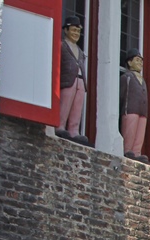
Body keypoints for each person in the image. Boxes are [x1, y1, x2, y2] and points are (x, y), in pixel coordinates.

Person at [57, 16, 90, 145]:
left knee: (77, 106)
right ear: (66, 30)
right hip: (68, 79)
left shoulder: (80, 51)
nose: (76, 34)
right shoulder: (62, 45)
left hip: (80, 80)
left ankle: (74, 130)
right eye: (73, 30)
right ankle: (60, 125)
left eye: (78, 31)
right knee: (65, 103)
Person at [119, 49, 150, 164]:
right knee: (130, 129)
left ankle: (137, 152)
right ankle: (128, 149)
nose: (140, 63)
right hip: (130, 108)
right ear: (129, 62)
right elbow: (122, 94)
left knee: (140, 131)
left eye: (141, 61)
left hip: (142, 111)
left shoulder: (143, 80)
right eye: (137, 60)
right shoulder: (127, 77)